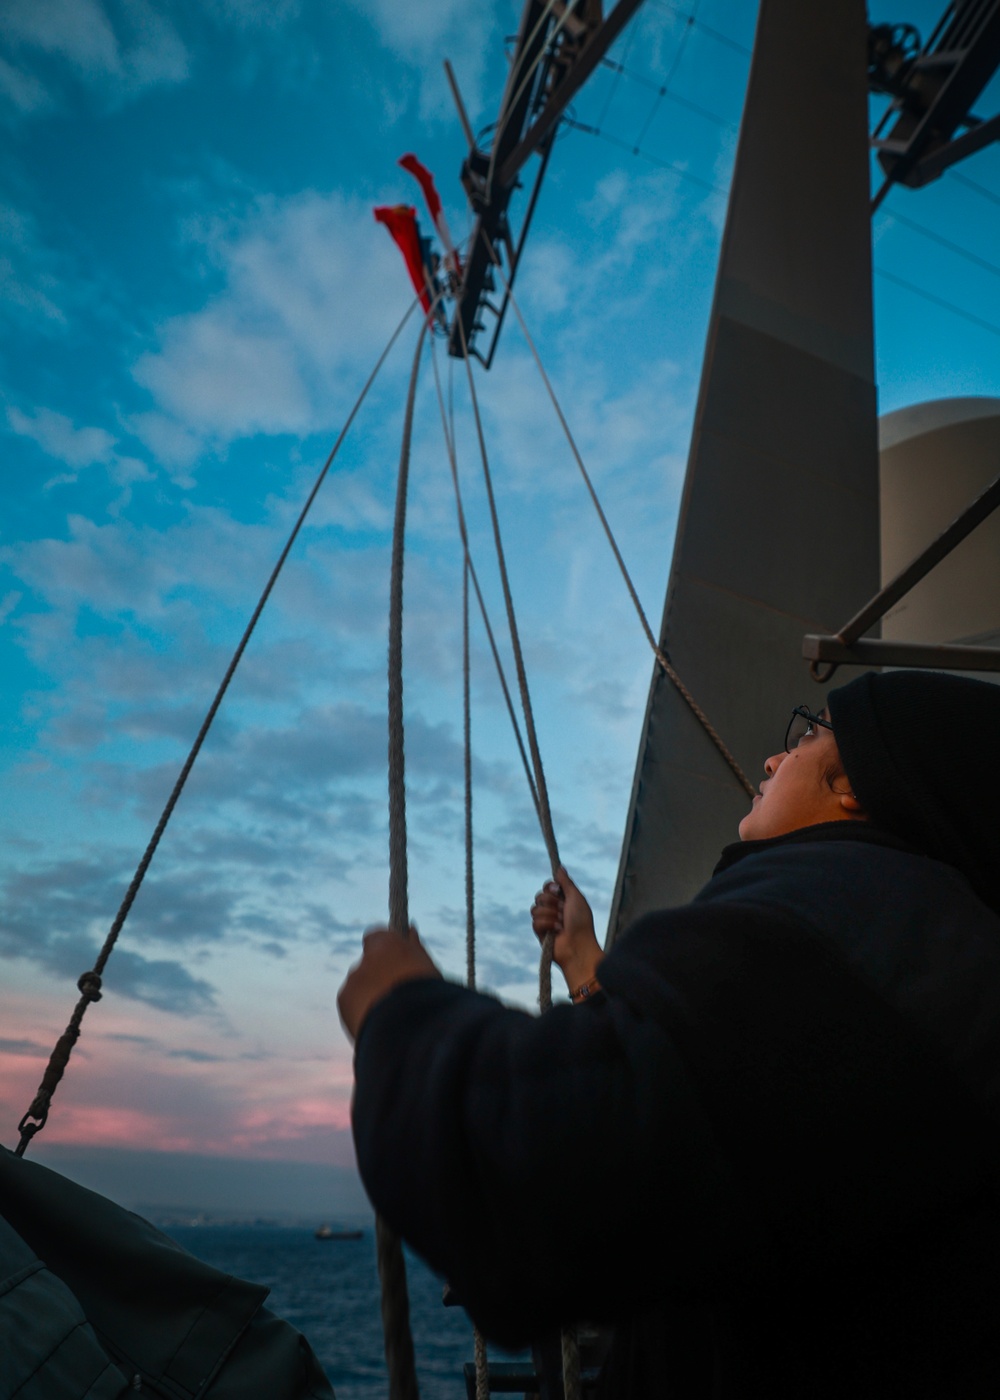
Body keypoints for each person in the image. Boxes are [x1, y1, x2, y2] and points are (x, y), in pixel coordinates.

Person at [338, 670, 1000, 1398]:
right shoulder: (922, 948)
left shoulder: (838, 922)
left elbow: (533, 1176)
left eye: (809, 737)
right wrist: (589, 967)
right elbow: (734, 1129)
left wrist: (398, 1009)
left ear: (855, 784)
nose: (776, 761)